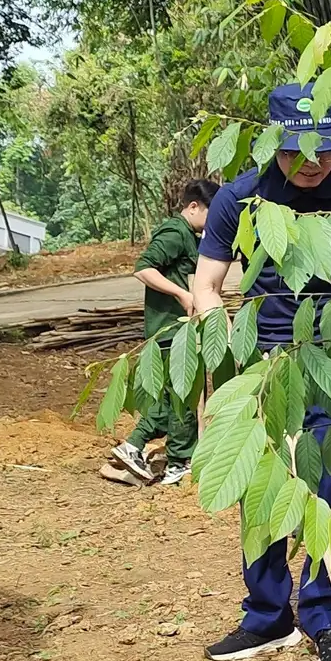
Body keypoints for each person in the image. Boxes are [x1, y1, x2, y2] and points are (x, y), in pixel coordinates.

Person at [193, 83, 331, 661]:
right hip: (267, 365)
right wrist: (230, 353)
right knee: (259, 488)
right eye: (297, 150)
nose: (312, 162)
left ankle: (325, 612)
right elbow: (205, 289)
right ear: (273, 143)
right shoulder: (243, 198)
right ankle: (266, 616)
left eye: (325, 149)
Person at [109, 180, 213, 486]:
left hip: (178, 328)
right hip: (171, 329)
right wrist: (182, 295)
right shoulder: (175, 232)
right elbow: (143, 267)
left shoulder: (189, 235)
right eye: (211, 212)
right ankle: (179, 463)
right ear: (193, 206)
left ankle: (133, 446)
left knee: (169, 399)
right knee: (183, 395)